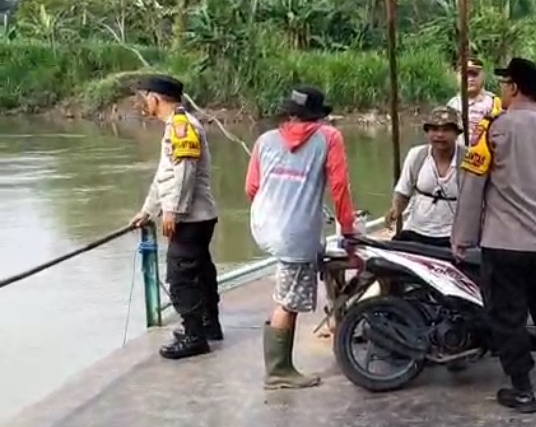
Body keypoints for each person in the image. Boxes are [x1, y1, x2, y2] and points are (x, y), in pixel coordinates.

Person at [452, 57, 536, 414]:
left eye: (505, 84)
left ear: (515, 88)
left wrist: (462, 236)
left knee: (509, 319)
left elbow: (473, 185)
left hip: (503, 245)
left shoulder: (494, 130)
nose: (502, 90)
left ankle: (522, 390)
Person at [246, 86, 357, 389]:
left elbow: (251, 188)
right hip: (294, 233)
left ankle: (284, 364)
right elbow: (340, 189)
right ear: (319, 116)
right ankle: (279, 371)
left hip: (262, 224)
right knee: (288, 300)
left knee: (293, 282)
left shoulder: (265, 140)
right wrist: (348, 232)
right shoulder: (329, 138)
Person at [128, 74, 221, 361]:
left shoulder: (181, 126)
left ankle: (195, 337)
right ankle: (207, 326)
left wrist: (173, 211)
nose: (144, 103)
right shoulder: (176, 126)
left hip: (190, 218)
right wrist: (148, 210)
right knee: (200, 272)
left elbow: (184, 173)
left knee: (181, 277)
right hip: (195, 216)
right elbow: (164, 177)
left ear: (155, 98)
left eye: (145, 97)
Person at [384, 106, 466, 247]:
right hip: (416, 230)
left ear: (457, 133)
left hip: (453, 235)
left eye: (446, 130)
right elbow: (404, 191)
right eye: (434, 130)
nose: (439, 135)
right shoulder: (417, 155)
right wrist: (395, 209)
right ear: (427, 132)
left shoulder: (468, 159)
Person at [446, 57, 502, 145]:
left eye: (474, 74)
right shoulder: (452, 104)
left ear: (482, 76)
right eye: (466, 75)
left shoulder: (493, 102)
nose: (470, 79)